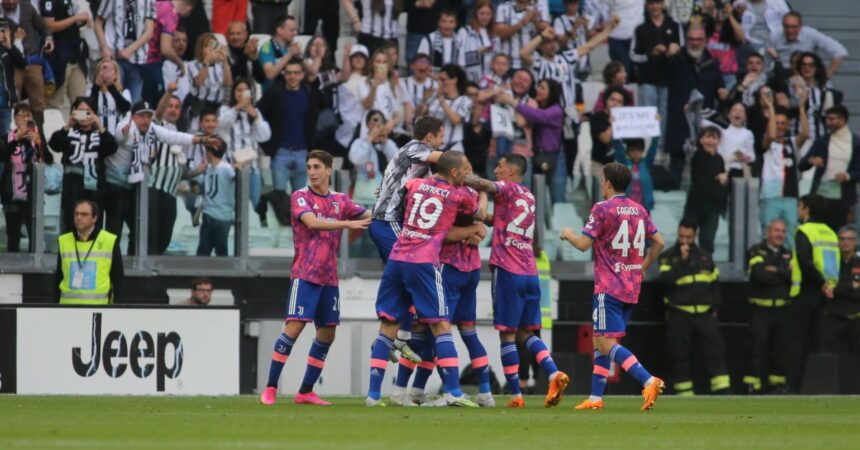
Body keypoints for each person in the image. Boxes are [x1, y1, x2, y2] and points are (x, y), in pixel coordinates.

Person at [366, 151, 485, 407]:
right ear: (454, 172)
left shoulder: (415, 184)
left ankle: (373, 396)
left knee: (388, 326)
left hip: (398, 258)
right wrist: (477, 221)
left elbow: (401, 190)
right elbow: (477, 215)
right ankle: (453, 392)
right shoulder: (459, 194)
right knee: (441, 325)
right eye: (465, 169)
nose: (467, 174)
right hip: (423, 261)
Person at [260, 149, 370, 406]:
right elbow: (312, 223)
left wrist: (381, 214)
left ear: (329, 170)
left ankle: (306, 391)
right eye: (309, 166)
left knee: (328, 332)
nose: (311, 171)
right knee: (295, 327)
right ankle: (270, 388)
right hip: (305, 274)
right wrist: (347, 224)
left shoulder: (341, 200)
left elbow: (366, 216)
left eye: (317, 167)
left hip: (329, 277)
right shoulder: (300, 196)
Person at [464, 154, 570, 408]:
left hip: (508, 270)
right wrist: (479, 215)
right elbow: (500, 220)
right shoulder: (528, 196)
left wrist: (460, 176)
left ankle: (516, 395)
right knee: (526, 332)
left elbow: (488, 186)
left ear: (511, 171)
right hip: (529, 272)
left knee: (507, 335)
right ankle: (554, 373)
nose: (496, 170)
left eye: (500, 166)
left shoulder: (506, 188)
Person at [559, 162, 666, 410]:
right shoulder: (639, 209)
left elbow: (584, 245)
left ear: (607, 182)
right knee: (600, 340)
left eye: (602, 180)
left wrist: (567, 233)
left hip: (609, 287)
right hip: (631, 286)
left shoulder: (602, 209)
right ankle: (595, 398)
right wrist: (643, 266)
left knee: (607, 344)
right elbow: (659, 242)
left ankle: (649, 380)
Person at [657, 217, 729, 396]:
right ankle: (685, 397)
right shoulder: (668, 256)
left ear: (695, 236)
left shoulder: (705, 256)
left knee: (715, 353)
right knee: (679, 357)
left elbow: (714, 285)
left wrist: (715, 307)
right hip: (679, 314)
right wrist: (682, 261)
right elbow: (665, 281)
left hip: (704, 314)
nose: (684, 241)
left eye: (688, 237)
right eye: (681, 236)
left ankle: (723, 395)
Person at [665, 24, 727, 188]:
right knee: (675, 168)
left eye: (699, 39)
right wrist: (668, 55)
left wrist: (722, 92)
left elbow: (719, 88)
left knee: (704, 169)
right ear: (686, 41)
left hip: (703, 124)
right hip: (680, 123)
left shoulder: (712, 63)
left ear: (705, 41)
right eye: (691, 39)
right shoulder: (676, 60)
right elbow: (660, 75)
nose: (695, 43)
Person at [788, 193, 839, 391]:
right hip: (826, 295)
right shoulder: (830, 232)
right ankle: (818, 385)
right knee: (819, 341)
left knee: (798, 341)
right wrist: (828, 285)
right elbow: (833, 265)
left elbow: (806, 261)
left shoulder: (805, 231)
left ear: (807, 209)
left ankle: (794, 386)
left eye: (800, 206)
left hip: (805, 292)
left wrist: (820, 282)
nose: (799, 210)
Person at [50, 97, 118, 233]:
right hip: (71, 189)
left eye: (88, 112)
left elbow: (112, 147)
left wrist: (99, 125)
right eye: (80, 111)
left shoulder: (100, 135)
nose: (84, 115)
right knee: (70, 227)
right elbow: (54, 144)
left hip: (95, 190)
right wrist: (68, 124)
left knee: (94, 229)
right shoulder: (68, 132)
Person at [495, 79, 564, 202]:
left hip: (553, 157)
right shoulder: (537, 106)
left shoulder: (556, 110)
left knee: (556, 196)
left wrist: (512, 102)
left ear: (551, 92)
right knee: (536, 194)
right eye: (538, 86)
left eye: (543, 88)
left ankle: (558, 220)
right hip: (538, 156)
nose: (538, 89)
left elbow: (538, 116)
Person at [744, 218, 793, 394]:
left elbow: (793, 277)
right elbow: (759, 276)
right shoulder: (756, 251)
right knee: (756, 348)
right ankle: (752, 385)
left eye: (783, 231)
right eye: (776, 230)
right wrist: (783, 273)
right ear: (767, 232)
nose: (779, 234)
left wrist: (776, 270)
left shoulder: (789, 254)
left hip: (782, 309)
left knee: (780, 350)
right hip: (760, 310)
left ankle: (778, 385)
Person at [257, 58, 319, 194]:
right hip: (280, 152)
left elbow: (314, 122)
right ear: (284, 74)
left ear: (302, 75)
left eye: (296, 73)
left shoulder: (309, 93)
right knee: (279, 197)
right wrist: (269, 146)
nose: (292, 76)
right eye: (289, 73)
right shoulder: (275, 93)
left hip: (303, 152)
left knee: (301, 201)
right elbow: (258, 113)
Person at [217, 78, 271, 221]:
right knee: (232, 203)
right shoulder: (225, 110)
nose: (241, 94)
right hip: (231, 166)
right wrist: (237, 107)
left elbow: (265, 136)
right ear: (234, 93)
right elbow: (221, 125)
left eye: (245, 90)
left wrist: (255, 117)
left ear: (251, 93)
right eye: (238, 90)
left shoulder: (255, 112)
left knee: (254, 203)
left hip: (251, 167)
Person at [0, 103, 52, 252]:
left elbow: (48, 159)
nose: (24, 118)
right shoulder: (7, 137)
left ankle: (34, 265)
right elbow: (3, 156)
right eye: (21, 115)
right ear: (15, 119)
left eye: (28, 115)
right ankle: (12, 263)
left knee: (34, 233)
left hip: (33, 191)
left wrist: (38, 144)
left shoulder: (36, 136)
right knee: (13, 233)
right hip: (11, 192)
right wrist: (16, 139)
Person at [799, 106, 860, 233]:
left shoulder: (855, 142)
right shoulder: (823, 141)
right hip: (820, 195)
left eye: (832, 119)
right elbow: (802, 165)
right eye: (826, 119)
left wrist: (847, 176)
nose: (828, 122)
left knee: (839, 231)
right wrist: (812, 160)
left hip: (842, 197)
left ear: (842, 119)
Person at [55, 200, 124, 304]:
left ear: (95, 218)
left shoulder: (109, 241)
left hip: (98, 310)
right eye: (76, 214)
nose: (78, 217)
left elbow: (118, 279)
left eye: (84, 214)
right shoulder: (64, 240)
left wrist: (118, 309)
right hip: (68, 309)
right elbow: (58, 278)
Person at [760, 99, 808, 249]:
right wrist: (771, 109)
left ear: (788, 125)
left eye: (783, 123)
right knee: (768, 231)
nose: (780, 126)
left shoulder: (792, 142)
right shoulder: (767, 143)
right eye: (777, 122)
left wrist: (801, 106)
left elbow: (806, 133)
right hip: (770, 196)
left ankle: (788, 264)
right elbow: (771, 134)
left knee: (790, 234)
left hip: (790, 196)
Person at [630, 0, 682, 134]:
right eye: (651, 4)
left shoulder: (674, 25)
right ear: (647, 6)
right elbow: (633, 55)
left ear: (663, 4)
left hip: (669, 80)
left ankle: (663, 150)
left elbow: (683, 51)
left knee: (665, 117)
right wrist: (650, 54)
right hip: (647, 80)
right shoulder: (640, 28)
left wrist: (675, 52)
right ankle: (649, 150)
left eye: (658, 3)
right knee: (648, 117)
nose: (655, 7)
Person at [3, 0, 52, 130]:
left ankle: (40, 133)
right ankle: (13, 134)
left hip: (32, 59)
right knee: (13, 96)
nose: (11, 2)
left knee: (38, 98)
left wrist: (48, 39)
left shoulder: (27, 7)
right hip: (11, 61)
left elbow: (43, 27)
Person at [95, 0, 156, 103]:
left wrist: (130, 49)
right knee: (113, 98)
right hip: (114, 57)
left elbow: (149, 31)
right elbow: (98, 22)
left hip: (137, 60)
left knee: (134, 102)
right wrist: (104, 46)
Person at [40, 0, 91, 114]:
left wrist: (83, 20)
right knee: (55, 104)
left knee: (80, 104)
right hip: (58, 56)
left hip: (77, 54)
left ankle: (79, 131)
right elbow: (48, 25)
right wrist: (75, 18)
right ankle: (53, 131)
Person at [684, 126, 727, 254]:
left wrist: (722, 179)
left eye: (714, 138)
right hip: (695, 206)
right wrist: (718, 178)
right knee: (687, 237)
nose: (710, 141)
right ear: (701, 140)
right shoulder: (697, 156)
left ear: (719, 141)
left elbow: (722, 181)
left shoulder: (719, 159)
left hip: (713, 207)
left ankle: (705, 267)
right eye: (707, 137)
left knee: (707, 241)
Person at [771, 12, 848, 79]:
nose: (790, 31)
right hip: (783, 80)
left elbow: (840, 51)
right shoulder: (775, 37)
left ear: (800, 26)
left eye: (794, 27)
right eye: (787, 27)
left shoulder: (810, 34)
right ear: (782, 26)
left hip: (808, 80)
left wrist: (826, 77)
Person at [820, 225, 860, 353]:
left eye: (849, 239)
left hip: (856, 320)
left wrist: (839, 289)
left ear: (856, 241)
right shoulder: (830, 263)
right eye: (842, 239)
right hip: (834, 319)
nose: (845, 242)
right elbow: (828, 290)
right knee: (832, 361)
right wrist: (851, 285)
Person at [348, 110, 398, 208]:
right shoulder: (359, 143)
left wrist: (386, 143)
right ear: (367, 124)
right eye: (374, 120)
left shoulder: (388, 144)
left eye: (380, 121)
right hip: (363, 198)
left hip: (384, 198)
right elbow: (356, 160)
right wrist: (369, 139)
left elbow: (398, 163)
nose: (377, 124)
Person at [416, 64, 471, 152]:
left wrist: (442, 101)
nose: (440, 83)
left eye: (443, 80)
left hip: (453, 149)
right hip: (431, 148)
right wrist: (424, 99)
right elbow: (418, 114)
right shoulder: (434, 97)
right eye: (439, 80)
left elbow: (456, 120)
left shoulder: (465, 101)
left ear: (454, 80)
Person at [184, 32, 232, 131]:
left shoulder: (219, 66)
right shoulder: (192, 65)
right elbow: (199, 82)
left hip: (216, 108)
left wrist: (225, 60)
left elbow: (228, 83)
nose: (211, 49)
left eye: (213, 45)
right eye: (208, 46)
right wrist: (206, 61)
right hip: (199, 107)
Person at [196, 138, 234, 257]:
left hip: (221, 217)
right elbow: (207, 195)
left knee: (219, 252)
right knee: (204, 252)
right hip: (210, 215)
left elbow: (235, 177)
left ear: (209, 153)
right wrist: (197, 215)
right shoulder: (208, 169)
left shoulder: (226, 168)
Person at [495, 0, 550, 70]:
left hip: (530, 63)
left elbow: (548, 34)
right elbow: (500, 35)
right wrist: (521, 23)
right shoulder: (503, 8)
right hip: (508, 64)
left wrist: (535, 21)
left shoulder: (539, 8)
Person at [613, 136, 659, 211]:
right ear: (628, 151)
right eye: (632, 150)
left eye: (639, 150)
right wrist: (615, 129)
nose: (636, 153)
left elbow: (653, 148)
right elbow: (618, 148)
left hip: (644, 208)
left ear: (642, 151)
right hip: (627, 208)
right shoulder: (624, 164)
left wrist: (656, 132)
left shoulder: (646, 164)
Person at [89, 58, 132, 136]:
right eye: (103, 69)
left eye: (110, 70)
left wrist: (111, 86)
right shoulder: (91, 92)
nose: (106, 72)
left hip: (117, 139)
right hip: (96, 138)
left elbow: (125, 108)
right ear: (98, 73)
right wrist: (96, 86)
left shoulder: (124, 92)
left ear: (115, 74)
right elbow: (90, 110)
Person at [257, 15, 301, 91]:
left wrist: (300, 57)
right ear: (279, 30)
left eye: (295, 30)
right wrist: (289, 55)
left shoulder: (291, 46)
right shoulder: (267, 47)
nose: (295, 33)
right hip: (272, 93)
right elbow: (270, 74)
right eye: (292, 30)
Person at [457, 0, 496, 83]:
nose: (485, 17)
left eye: (488, 14)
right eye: (481, 13)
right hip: (469, 80)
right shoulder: (465, 31)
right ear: (475, 14)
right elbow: (459, 59)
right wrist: (477, 53)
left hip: (488, 81)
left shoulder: (493, 34)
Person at [604, 0, 644, 75]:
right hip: (617, 38)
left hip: (637, 38)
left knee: (640, 73)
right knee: (622, 73)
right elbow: (601, 6)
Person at [417, 9, 460, 74]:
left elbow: (462, 65)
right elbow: (420, 62)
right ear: (439, 23)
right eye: (444, 21)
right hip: (432, 79)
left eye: (451, 22)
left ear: (455, 24)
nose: (447, 25)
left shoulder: (459, 40)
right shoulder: (429, 40)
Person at [0, 22, 24, 137]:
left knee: (5, 137)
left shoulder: (8, 50)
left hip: (5, 103)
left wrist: (9, 46)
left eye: (3, 31)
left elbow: (23, 64)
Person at [162, 26, 191, 104]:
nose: (182, 44)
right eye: (177, 40)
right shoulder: (163, 65)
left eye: (185, 41)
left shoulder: (188, 65)